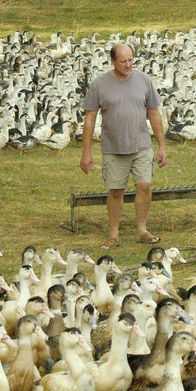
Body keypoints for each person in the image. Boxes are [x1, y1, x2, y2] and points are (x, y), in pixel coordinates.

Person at [80, 43, 168, 249]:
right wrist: (86, 153)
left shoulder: (145, 81)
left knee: (144, 186)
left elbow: (154, 114)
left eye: (131, 60)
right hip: (113, 147)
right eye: (123, 61)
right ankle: (113, 235)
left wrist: (162, 146)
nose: (128, 65)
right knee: (116, 191)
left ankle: (142, 231)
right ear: (112, 61)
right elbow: (90, 119)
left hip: (141, 145)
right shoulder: (99, 85)